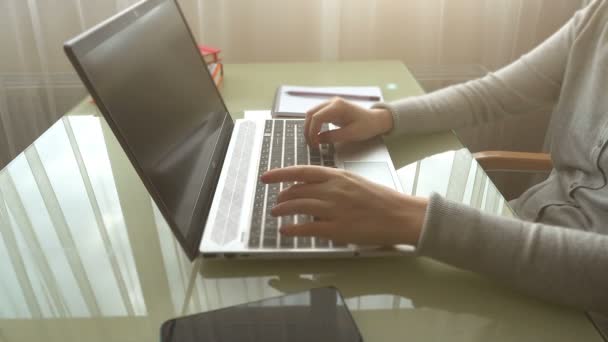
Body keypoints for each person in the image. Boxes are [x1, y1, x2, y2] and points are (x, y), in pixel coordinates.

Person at [262, 0, 608, 315]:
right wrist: (384, 118)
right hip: (522, 235)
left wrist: (418, 218)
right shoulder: (598, 16)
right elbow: (491, 95)